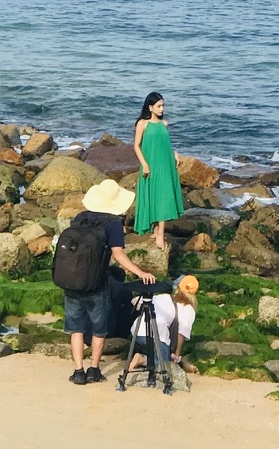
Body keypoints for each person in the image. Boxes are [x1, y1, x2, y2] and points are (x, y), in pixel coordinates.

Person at [64, 179, 156, 386]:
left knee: (76, 328)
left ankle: (78, 371)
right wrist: (140, 272)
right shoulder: (113, 223)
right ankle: (94, 369)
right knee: (99, 328)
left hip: (72, 280)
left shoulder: (80, 218)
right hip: (97, 282)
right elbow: (118, 255)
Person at [133, 91, 184, 249]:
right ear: (150, 107)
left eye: (163, 105)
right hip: (151, 164)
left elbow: (164, 144)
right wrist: (145, 164)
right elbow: (136, 146)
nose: (162, 109)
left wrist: (174, 153)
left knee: (163, 197)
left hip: (165, 164)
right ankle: (156, 230)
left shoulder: (164, 124)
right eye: (159, 106)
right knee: (153, 195)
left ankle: (159, 232)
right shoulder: (143, 124)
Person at [126, 274, 199, 374]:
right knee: (165, 365)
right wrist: (177, 354)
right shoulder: (188, 308)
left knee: (157, 354)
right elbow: (182, 334)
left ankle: (144, 358)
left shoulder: (164, 297)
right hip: (157, 334)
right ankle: (142, 359)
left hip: (137, 332)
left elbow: (134, 300)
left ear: (178, 287)